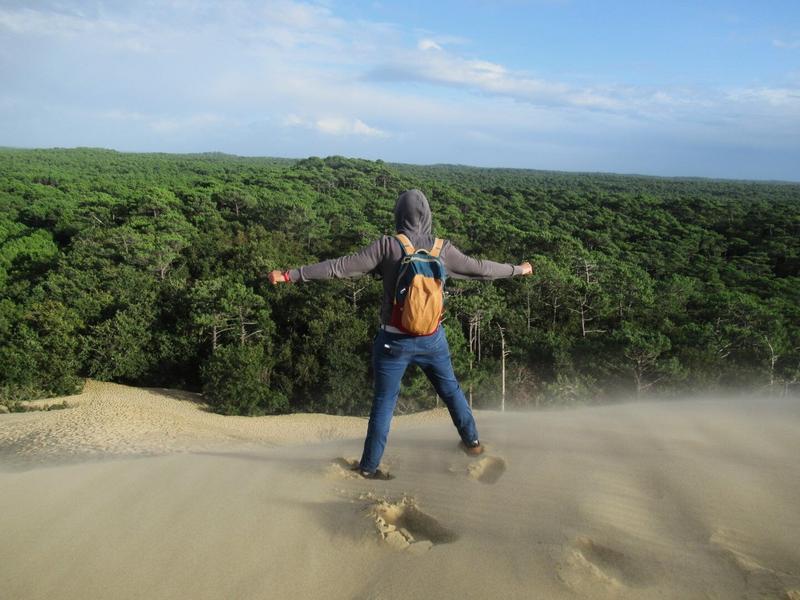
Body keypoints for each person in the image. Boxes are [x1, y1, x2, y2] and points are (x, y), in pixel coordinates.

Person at [270, 189, 532, 479]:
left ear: (398, 214)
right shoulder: (442, 249)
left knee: (384, 404)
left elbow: (339, 268)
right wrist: (518, 269)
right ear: (428, 216)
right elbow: (482, 270)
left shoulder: (388, 246)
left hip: (393, 341)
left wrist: (290, 274)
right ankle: (472, 444)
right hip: (432, 339)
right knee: (451, 392)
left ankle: (368, 468)